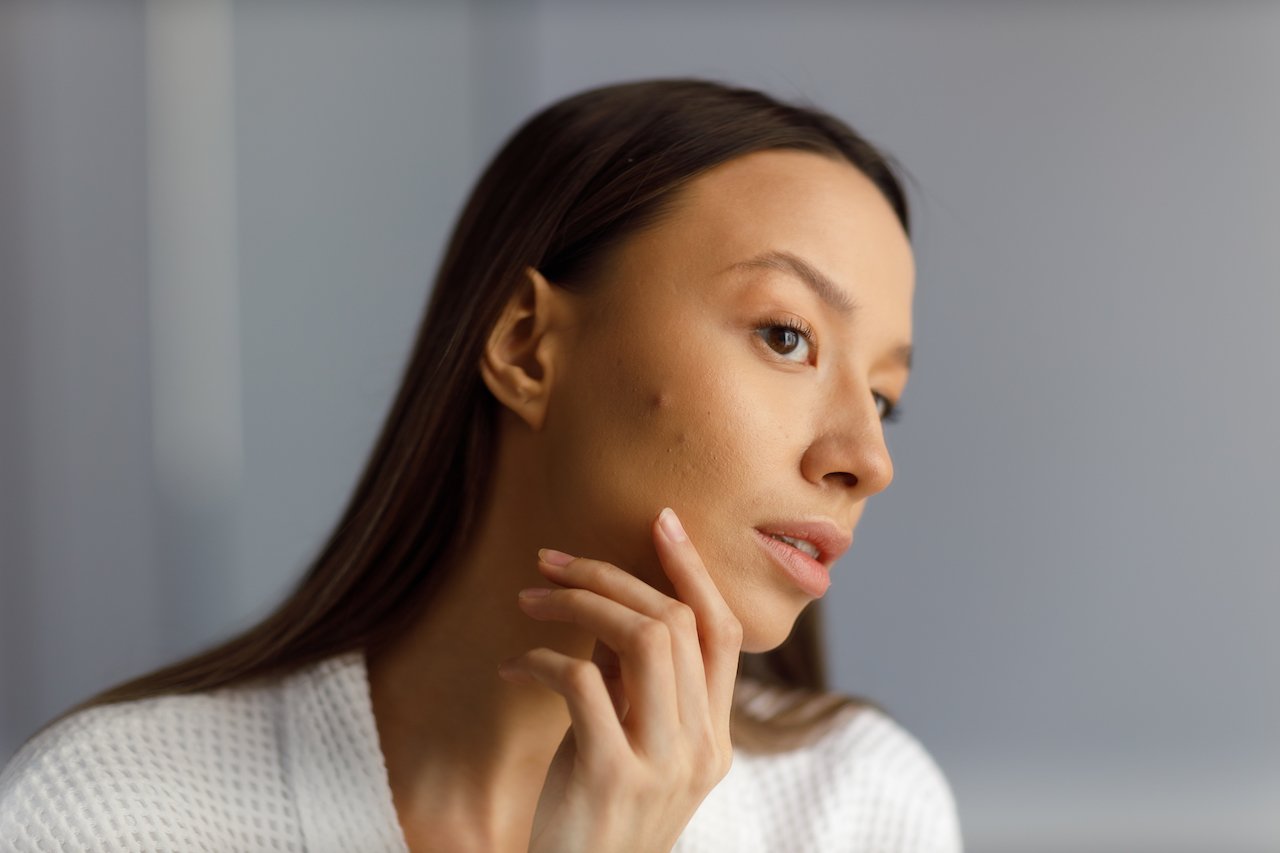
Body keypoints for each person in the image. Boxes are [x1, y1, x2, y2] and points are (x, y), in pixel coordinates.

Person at [0, 78, 962, 852]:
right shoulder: (114, 816)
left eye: (882, 395)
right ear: (526, 345)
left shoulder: (859, 811)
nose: (866, 458)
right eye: (787, 335)